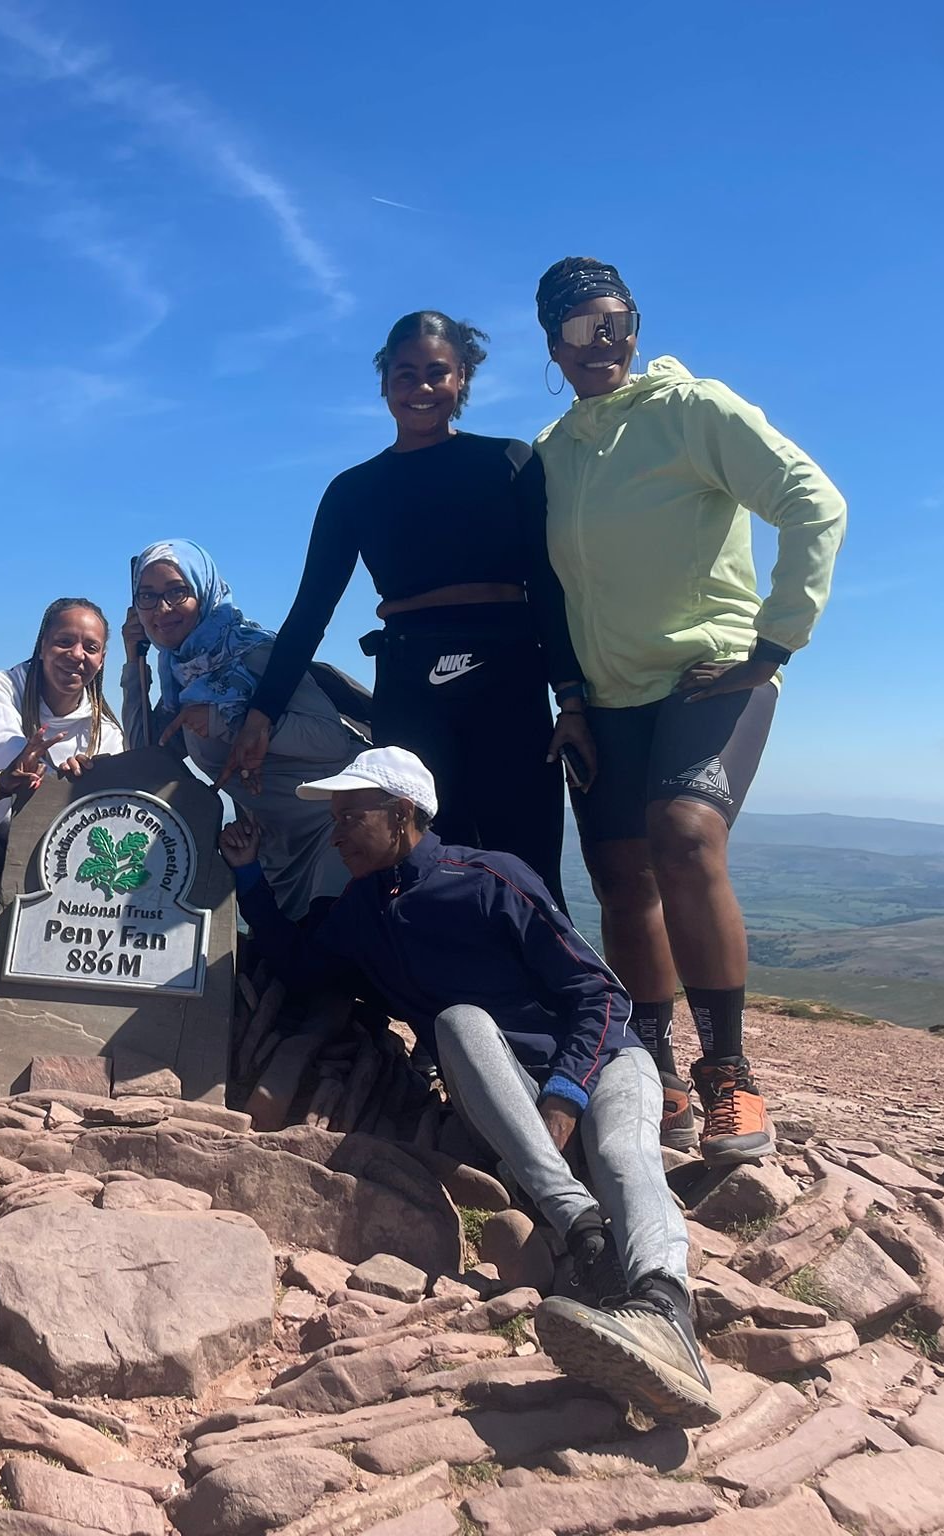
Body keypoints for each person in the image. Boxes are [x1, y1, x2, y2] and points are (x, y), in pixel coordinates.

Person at [218, 747, 717, 1427]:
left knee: (629, 1160)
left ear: (401, 816)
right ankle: (584, 1234)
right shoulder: (363, 911)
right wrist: (247, 876)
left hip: (601, 1064)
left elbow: (600, 994)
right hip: (502, 1094)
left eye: (349, 817)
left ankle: (663, 1312)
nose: (335, 834)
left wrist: (567, 1092)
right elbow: (305, 969)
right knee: (457, 1023)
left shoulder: (490, 878)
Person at [533, 258, 847, 1165]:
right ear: (551, 343)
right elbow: (550, 590)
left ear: (635, 324)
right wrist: (571, 698)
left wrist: (775, 641)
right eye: (579, 330)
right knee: (621, 877)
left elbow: (814, 502)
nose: (603, 345)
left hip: (712, 675)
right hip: (605, 696)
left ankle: (730, 1076)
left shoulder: (693, 409)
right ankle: (656, 1068)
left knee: (683, 834)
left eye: (616, 323)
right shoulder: (556, 450)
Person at [226, 311, 590, 908]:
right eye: (405, 374)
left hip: (509, 675)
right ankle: (438, 999)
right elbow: (311, 611)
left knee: (525, 860)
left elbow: (548, 588)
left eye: (436, 373)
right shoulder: (353, 490)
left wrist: (570, 698)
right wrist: (261, 714)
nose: (421, 388)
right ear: (385, 382)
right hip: (410, 681)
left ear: (463, 378)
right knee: (419, 861)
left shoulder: (510, 463)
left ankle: (553, 999)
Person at [120, 539, 361, 919]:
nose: (160, 608)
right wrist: (134, 666)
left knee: (325, 968)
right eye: (146, 597)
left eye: (176, 592)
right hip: (273, 853)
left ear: (203, 591)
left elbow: (330, 741)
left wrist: (225, 722)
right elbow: (148, 756)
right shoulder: (180, 674)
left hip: (333, 834)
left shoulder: (254, 653)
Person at [0, 597, 126, 916]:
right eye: (64, 642)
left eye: (91, 647)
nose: (76, 655)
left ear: (102, 660)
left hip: (51, 851)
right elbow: (6, 754)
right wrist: (64, 782)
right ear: (42, 646)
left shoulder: (107, 733)